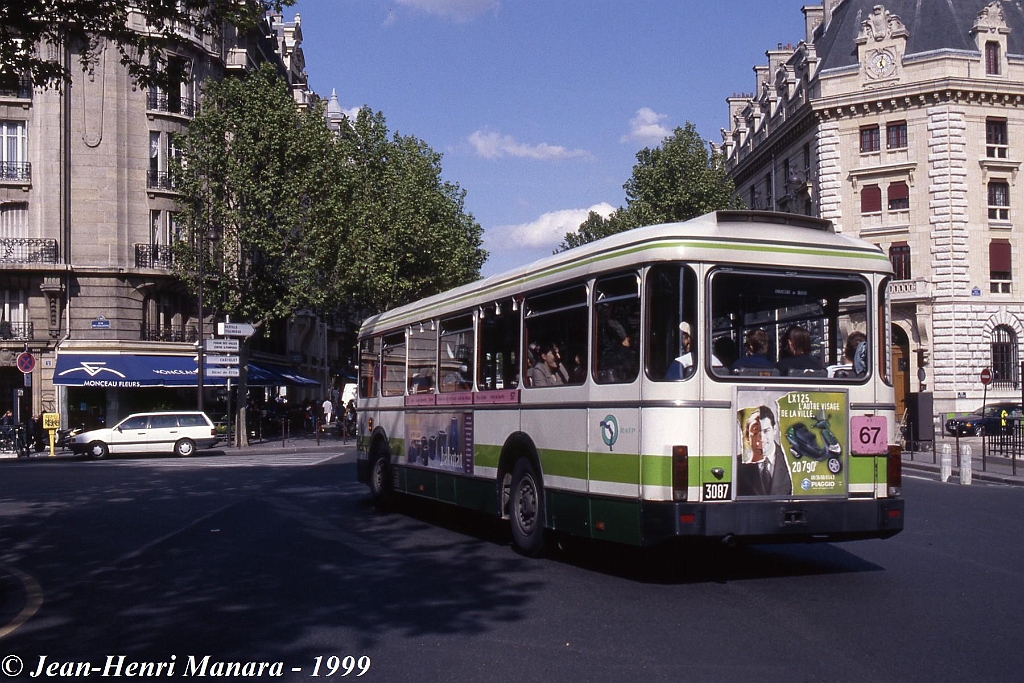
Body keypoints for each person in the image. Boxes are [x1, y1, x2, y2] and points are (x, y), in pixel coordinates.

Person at [737, 405, 793, 496]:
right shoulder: (738, 466)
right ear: (747, 436)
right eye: (755, 433)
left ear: (774, 430)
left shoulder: (791, 459)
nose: (761, 438)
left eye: (766, 431)